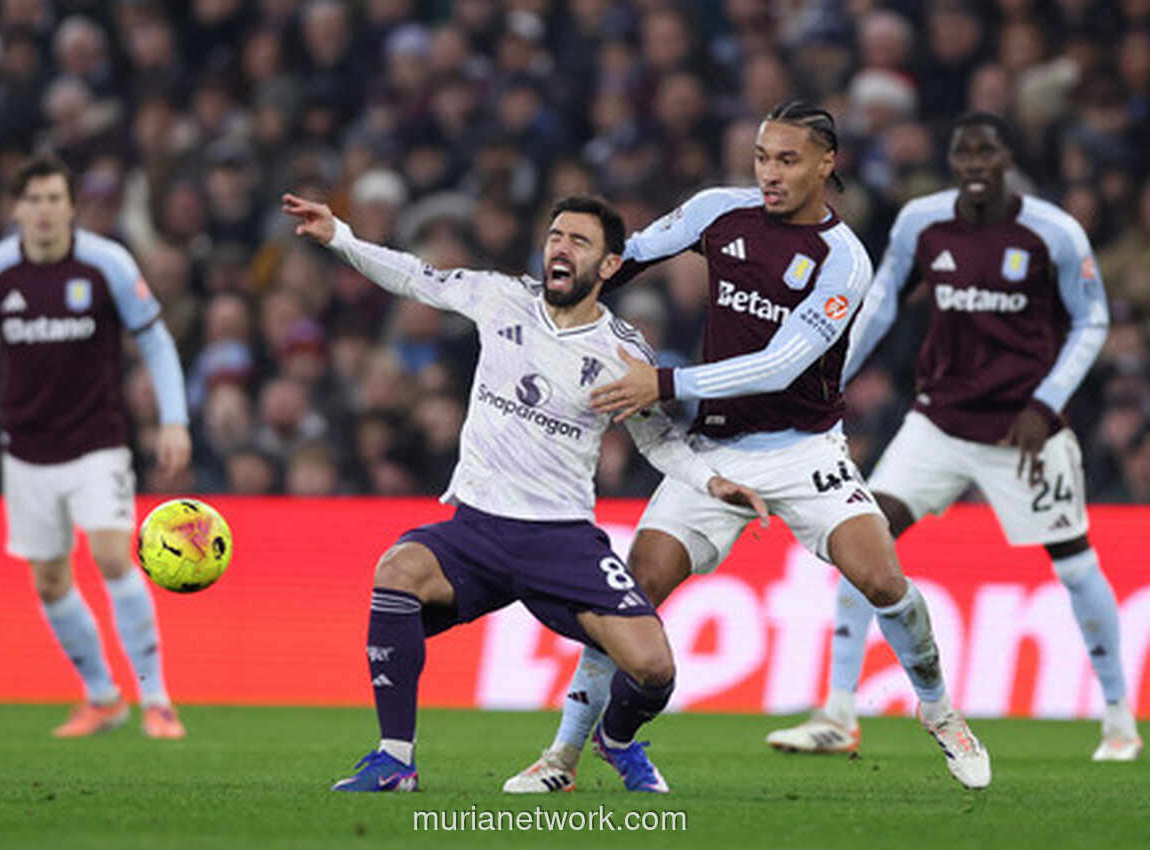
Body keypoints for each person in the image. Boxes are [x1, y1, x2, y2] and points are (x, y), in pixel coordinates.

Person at [504, 100, 992, 793]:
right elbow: (628, 257)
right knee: (627, 599)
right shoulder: (717, 212)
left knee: (882, 578)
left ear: (828, 164)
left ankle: (940, 711)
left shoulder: (843, 262)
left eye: (787, 160)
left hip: (805, 451)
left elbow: (780, 366)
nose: (769, 173)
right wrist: (553, 302)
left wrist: (662, 382)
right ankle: (563, 758)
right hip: (713, 451)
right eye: (762, 157)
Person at [283, 191, 769, 793]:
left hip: (560, 540)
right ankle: (394, 759)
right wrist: (342, 238)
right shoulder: (500, 296)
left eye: (579, 241)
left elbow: (658, 442)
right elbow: (415, 277)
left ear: (610, 266)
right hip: (476, 530)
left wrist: (710, 480)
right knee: (397, 570)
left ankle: (614, 739)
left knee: (653, 668)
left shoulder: (622, 353)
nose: (561, 249)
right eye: (556, 236)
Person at [767, 112, 1141, 762]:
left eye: (986, 154)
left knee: (1076, 565)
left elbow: (1092, 320)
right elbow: (882, 302)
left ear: (1007, 159)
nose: (973, 165)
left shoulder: (1052, 231)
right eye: (962, 154)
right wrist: (830, 378)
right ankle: (837, 713)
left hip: (1022, 430)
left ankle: (1118, 718)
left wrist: (1048, 402)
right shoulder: (922, 221)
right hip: (938, 419)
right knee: (865, 543)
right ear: (952, 160)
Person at [0, 154, 191, 738]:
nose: (44, 210)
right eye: (33, 199)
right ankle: (103, 698)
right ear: (16, 208)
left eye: (55, 198)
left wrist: (174, 419)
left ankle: (157, 700)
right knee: (50, 581)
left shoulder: (106, 264)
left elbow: (155, 342)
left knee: (112, 555)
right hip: (26, 448)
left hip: (98, 441)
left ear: (71, 206)